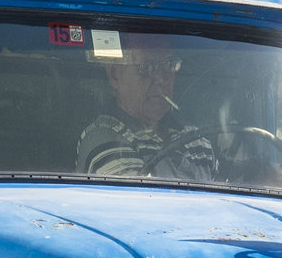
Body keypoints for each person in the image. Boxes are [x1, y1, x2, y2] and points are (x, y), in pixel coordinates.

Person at [78, 50, 216, 180]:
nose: (161, 79)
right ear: (115, 74)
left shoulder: (196, 140)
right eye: (146, 67)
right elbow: (137, 201)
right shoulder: (102, 139)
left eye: (169, 65)